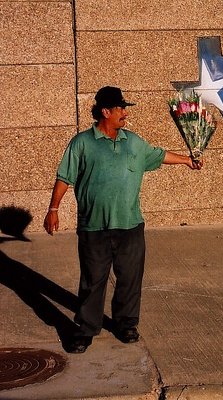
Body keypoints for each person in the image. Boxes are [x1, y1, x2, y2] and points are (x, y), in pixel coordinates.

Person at [43, 86, 202, 353]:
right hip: (94, 227)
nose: (125, 113)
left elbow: (159, 155)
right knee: (93, 281)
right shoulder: (82, 143)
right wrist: (53, 209)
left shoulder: (134, 142)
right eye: (120, 108)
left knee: (130, 278)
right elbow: (65, 177)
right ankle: (85, 330)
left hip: (130, 225)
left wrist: (187, 160)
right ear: (106, 111)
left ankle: (126, 324)